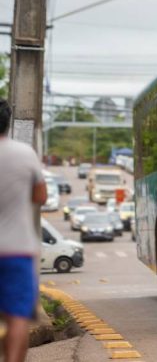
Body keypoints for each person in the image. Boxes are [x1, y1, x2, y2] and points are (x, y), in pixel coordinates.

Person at [0, 98, 48, 362]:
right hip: (17, 249)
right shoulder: (24, 153)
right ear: (8, 122)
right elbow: (41, 196)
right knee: (17, 317)